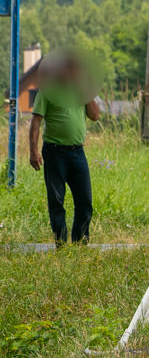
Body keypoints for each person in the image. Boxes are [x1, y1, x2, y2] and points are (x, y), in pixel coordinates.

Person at [29, 51, 100, 246]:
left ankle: (80, 242)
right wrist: (33, 151)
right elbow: (35, 123)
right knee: (56, 201)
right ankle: (60, 242)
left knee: (84, 201)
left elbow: (95, 116)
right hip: (54, 152)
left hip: (77, 152)